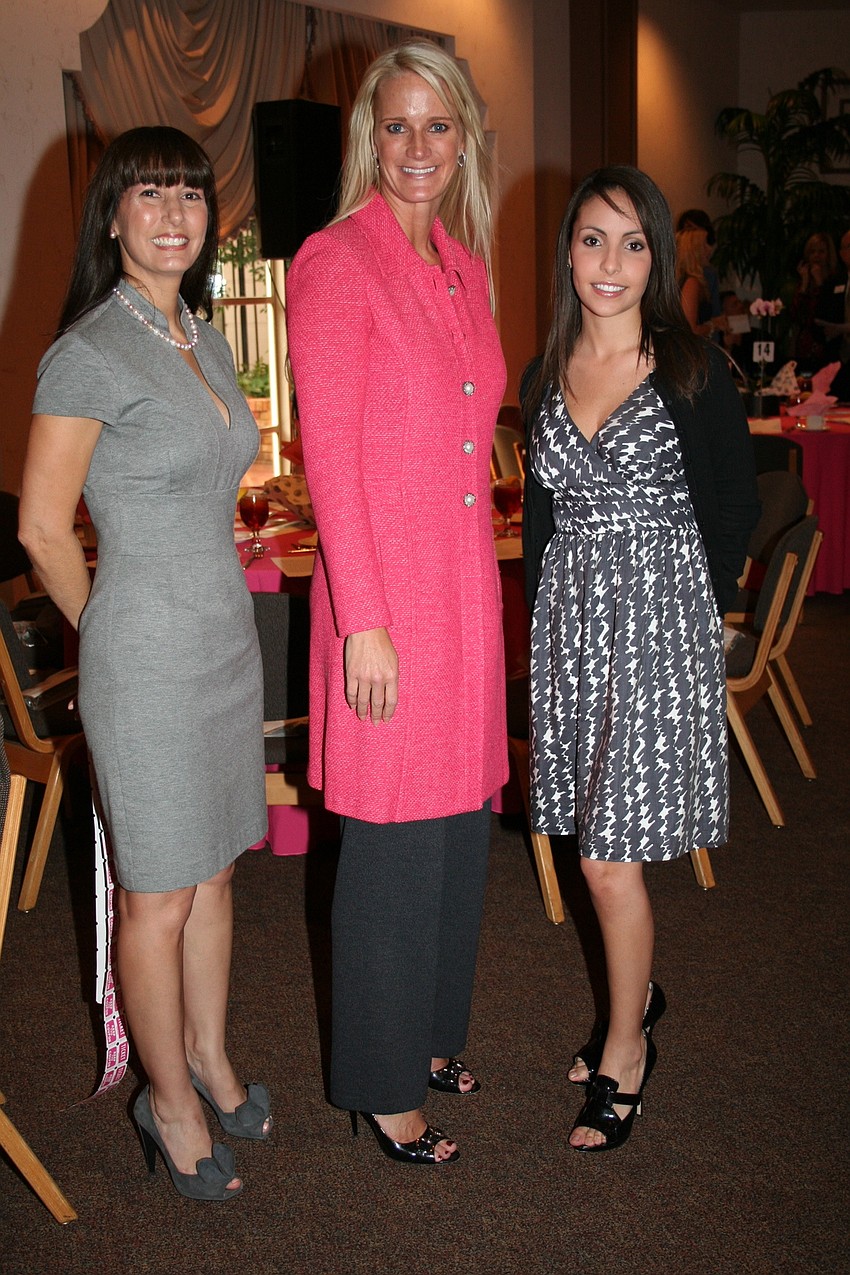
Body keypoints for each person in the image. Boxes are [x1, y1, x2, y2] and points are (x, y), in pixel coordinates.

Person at [18, 127, 271, 1201]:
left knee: (215, 872)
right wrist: (115, 623)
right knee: (157, 895)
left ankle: (208, 1058)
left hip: (224, 642)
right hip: (147, 658)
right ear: (112, 215)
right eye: (149, 194)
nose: (174, 214)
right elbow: (39, 529)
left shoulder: (200, 339)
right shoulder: (86, 351)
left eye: (189, 194)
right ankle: (165, 1102)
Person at [286, 41, 507, 1165]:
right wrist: (362, 619)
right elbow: (328, 456)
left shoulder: (462, 265)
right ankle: (380, 1085)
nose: (416, 148)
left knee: (457, 833)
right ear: (370, 138)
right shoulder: (337, 260)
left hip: (462, 597)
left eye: (436, 126)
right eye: (395, 127)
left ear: (462, 135)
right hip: (385, 605)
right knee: (386, 846)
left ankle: (425, 1034)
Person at [522, 166, 759, 1152]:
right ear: (567, 251)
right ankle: (640, 992)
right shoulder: (544, 372)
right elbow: (538, 517)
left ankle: (625, 1047)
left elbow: (734, 506)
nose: (609, 263)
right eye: (590, 240)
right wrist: (540, 643)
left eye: (631, 243)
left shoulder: (690, 368)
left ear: (657, 257)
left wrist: (716, 619)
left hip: (658, 628)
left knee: (611, 861)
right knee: (590, 844)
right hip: (571, 628)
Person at [790, 231, 838, 370]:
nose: (816, 256)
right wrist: (804, 284)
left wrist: (819, 284)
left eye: (821, 251)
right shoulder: (804, 283)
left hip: (828, 346)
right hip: (805, 346)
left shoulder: (835, 281)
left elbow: (827, 312)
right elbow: (796, 315)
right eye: (812, 252)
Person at [814, 227, 850, 400]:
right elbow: (820, 318)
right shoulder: (834, 283)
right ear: (842, 253)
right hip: (838, 359)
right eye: (848, 247)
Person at [676, 225, 727, 339]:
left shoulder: (685, 279)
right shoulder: (692, 283)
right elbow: (690, 330)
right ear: (695, 250)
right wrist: (713, 325)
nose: (710, 249)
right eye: (705, 245)